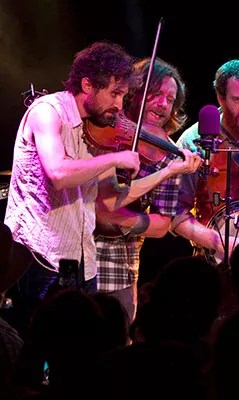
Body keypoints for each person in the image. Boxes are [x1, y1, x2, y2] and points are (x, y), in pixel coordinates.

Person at [3, 41, 200, 334]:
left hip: (78, 259)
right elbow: (58, 173)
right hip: (37, 256)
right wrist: (115, 159)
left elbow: (114, 198)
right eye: (115, 94)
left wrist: (169, 171)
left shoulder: (94, 131)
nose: (120, 105)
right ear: (87, 85)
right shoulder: (48, 112)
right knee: (34, 344)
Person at [143, 59, 239, 274]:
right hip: (212, 264)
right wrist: (220, 243)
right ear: (220, 98)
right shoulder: (193, 141)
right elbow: (175, 214)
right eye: (237, 99)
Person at [92, 57, 201, 323]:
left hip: (118, 264)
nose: (163, 104)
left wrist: (117, 219)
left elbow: (162, 224)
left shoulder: (170, 154)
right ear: (134, 92)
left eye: (170, 100)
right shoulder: (99, 130)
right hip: (71, 253)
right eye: (155, 94)